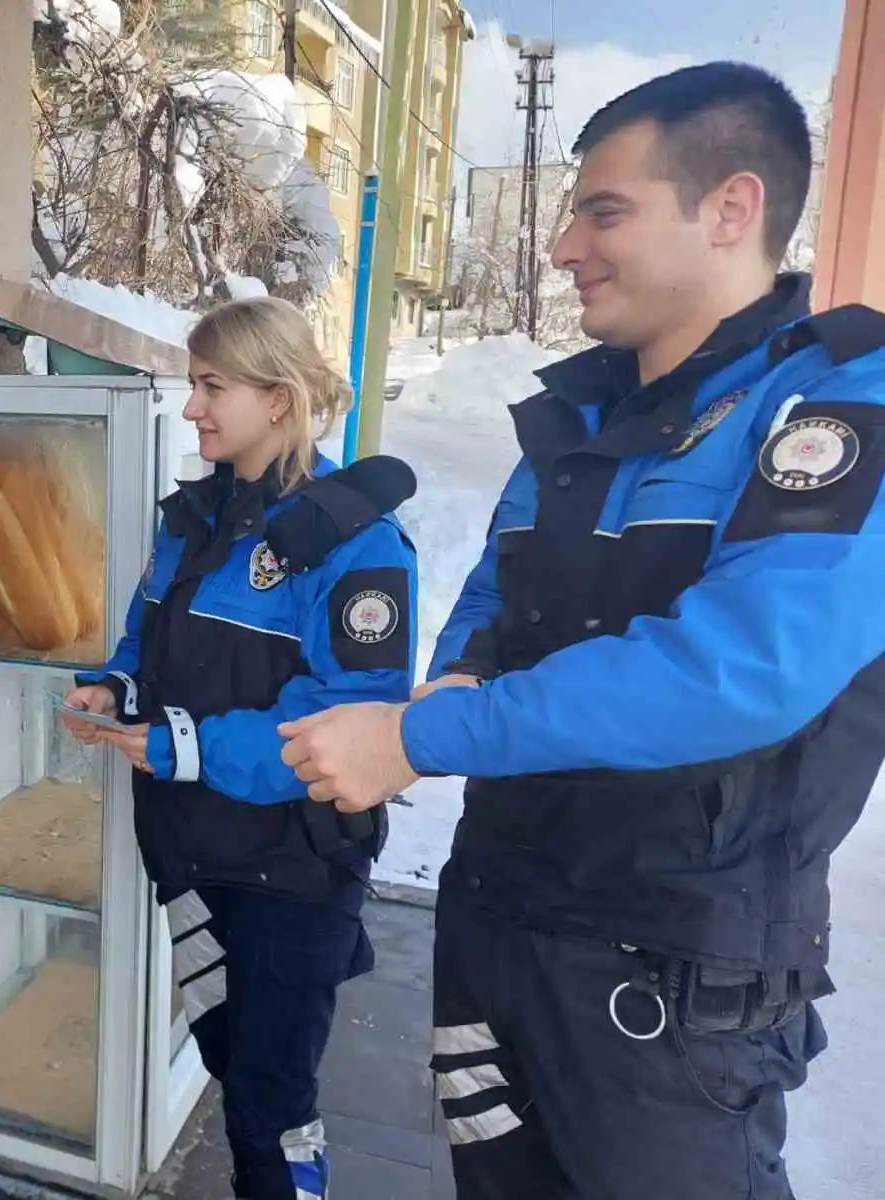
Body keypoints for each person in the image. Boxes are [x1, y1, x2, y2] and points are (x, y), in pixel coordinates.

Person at [280, 62, 885, 1198]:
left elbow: (737, 671)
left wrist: (419, 742)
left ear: (730, 209)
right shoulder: (583, 421)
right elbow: (495, 597)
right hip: (498, 928)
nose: (564, 247)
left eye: (603, 211)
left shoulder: (829, 411)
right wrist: (452, 679)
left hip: (668, 990)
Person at [61, 297, 419, 1200]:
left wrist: (183, 746)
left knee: (271, 1102)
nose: (192, 409)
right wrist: (117, 687)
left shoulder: (358, 545)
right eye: (193, 386)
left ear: (280, 396)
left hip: (293, 872)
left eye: (212, 387)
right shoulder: (188, 519)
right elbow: (150, 641)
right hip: (188, 854)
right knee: (229, 1056)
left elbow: (346, 726)